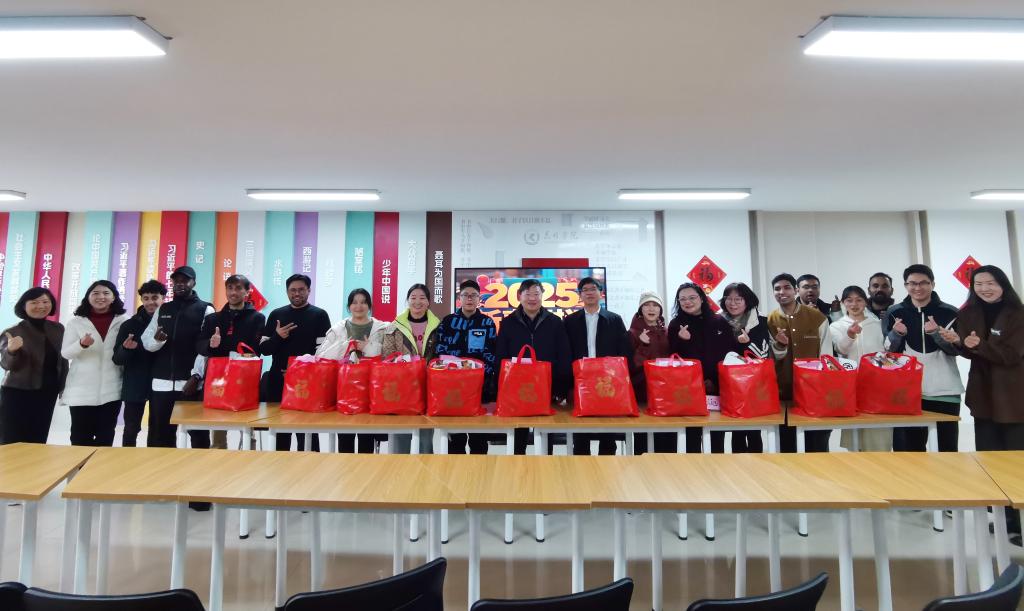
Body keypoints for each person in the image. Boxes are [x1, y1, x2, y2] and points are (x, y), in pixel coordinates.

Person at [945, 265, 1024, 546]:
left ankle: (1021, 522)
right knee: (991, 460)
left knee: (1016, 462)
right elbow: (970, 350)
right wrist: (958, 343)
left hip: (1013, 396)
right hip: (983, 396)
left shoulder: (1018, 314)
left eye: (990, 283)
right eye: (978, 284)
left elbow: (1012, 355)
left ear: (1003, 284)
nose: (984, 288)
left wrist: (977, 346)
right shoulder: (969, 313)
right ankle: (1005, 519)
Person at [883, 264, 963, 452]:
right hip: (908, 391)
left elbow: (956, 350)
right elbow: (889, 353)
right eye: (912, 283)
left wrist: (936, 334)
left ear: (932, 284)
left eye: (923, 283)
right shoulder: (894, 312)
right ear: (905, 285)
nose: (917, 287)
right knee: (910, 451)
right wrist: (896, 334)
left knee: (947, 449)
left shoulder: (950, 312)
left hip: (945, 390)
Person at [141, 266, 215, 450]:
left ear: (193, 283)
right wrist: (157, 341)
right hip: (161, 383)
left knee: (198, 435)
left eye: (185, 280)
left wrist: (197, 376)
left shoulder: (205, 309)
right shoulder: (164, 308)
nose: (180, 284)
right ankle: (162, 468)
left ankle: (200, 467)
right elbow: (147, 341)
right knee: (160, 435)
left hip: (190, 383)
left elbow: (206, 348)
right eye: (176, 281)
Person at [496, 278, 572, 454]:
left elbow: (564, 355)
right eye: (527, 294)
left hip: (548, 388)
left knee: (546, 434)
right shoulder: (508, 323)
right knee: (518, 436)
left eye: (536, 294)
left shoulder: (555, 322)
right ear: (519, 296)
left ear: (542, 296)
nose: (532, 298)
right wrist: (502, 389)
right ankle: (517, 466)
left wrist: (561, 388)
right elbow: (501, 357)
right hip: (517, 389)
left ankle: (546, 467)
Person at [259, 273, 332, 452]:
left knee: (308, 436)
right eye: (292, 290)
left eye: (301, 289)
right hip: (278, 382)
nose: (297, 293)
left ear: (309, 291)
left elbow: (324, 353)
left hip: (307, 383)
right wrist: (277, 336)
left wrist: (299, 372)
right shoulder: (276, 315)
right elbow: (264, 349)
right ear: (287, 292)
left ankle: (310, 468)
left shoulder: (320, 315)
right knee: (280, 436)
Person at [667, 282, 741, 453]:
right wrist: (681, 340)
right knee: (691, 436)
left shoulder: (719, 321)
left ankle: (716, 467)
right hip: (688, 389)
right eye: (682, 299)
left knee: (716, 436)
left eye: (692, 297)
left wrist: (714, 380)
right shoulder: (676, 324)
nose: (687, 302)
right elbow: (672, 357)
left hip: (716, 386)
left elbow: (728, 355)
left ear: (701, 298)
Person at [563, 277, 632, 455]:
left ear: (601, 293)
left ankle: (607, 467)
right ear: (580, 295)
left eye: (593, 289)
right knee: (581, 435)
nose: (589, 293)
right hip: (581, 380)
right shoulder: (570, 321)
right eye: (585, 290)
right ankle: (581, 465)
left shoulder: (614, 319)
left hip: (607, 381)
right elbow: (566, 351)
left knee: (608, 434)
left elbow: (623, 351)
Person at [197, 274, 265, 449]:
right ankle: (218, 449)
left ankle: (249, 452)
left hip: (245, 375)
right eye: (230, 288)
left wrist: (237, 350)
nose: (233, 292)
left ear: (247, 292)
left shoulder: (257, 318)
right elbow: (200, 346)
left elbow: (256, 348)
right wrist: (211, 345)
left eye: (238, 288)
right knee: (218, 418)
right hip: (218, 375)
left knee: (247, 417)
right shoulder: (212, 319)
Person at [767, 273, 833, 453]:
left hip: (814, 393)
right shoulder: (770, 320)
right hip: (783, 393)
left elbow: (826, 354)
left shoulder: (817, 317)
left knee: (817, 446)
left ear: (795, 290)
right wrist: (780, 345)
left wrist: (824, 386)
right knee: (787, 446)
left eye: (787, 287)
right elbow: (772, 358)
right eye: (777, 289)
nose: (782, 292)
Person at [316, 288, 388, 453]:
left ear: (369, 305)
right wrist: (345, 347)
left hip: (370, 391)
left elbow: (388, 357)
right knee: (345, 439)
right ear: (349, 306)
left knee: (366, 440)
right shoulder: (338, 329)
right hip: (344, 391)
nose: (359, 306)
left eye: (363, 302)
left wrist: (368, 348)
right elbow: (321, 356)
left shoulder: (382, 328)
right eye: (354, 302)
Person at [61, 280, 130, 447]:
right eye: (96, 293)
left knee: (105, 438)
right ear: (88, 297)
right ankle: (81, 465)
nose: (101, 297)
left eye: (106, 293)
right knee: (79, 438)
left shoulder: (123, 320)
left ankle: (101, 465)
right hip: (81, 391)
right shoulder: (76, 322)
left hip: (111, 390)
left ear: (114, 297)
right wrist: (81, 344)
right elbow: (66, 353)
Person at [433, 279, 499, 454]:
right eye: (465, 295)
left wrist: (481, 376)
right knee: (456, 439)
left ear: (479, 299)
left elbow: (492, 353)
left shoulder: (487, 323)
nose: (469, 299)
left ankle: (479, 470)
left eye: (473, 295)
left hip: (479, 387)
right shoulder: (447, 322)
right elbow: (440, 351)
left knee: (479, 439)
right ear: (459, 298)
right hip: (453, 387)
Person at [0, 288, 68, 444]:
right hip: (17, 392)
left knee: (38, 438)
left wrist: (63, 387)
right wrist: (11, 351)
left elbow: (63, 361)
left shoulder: (58, 329)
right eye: (34, 302)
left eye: (45, 302)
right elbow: (6, 364)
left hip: (47, 392)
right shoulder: (12, 331)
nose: (41, 306)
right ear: (24, 306)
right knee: (11, 439)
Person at [381, 283, 441, 454]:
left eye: (422, 298)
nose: (417, 302)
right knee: (400, 436)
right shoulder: (394, 326)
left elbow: (441, 356)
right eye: (413, 298)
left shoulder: (438, 326)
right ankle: (399, 468)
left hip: (427, 387)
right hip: (401, 387)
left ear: (428, 302)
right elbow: (387, 356)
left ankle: (425, 467)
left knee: (425, 438)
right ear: (407, 301)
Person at [830, 285, 889, 451]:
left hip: (877, 384)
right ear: (843, 303)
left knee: (879, 431)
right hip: (851, 384)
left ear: (865, 302)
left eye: (859, 300)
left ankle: (881, 460)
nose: (854, 304)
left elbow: (885, 351)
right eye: (849, 300)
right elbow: (841, 350)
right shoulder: (836, 326)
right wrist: (850, 335)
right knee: (855, 432)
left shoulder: (877, 324)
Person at [719, 282, 772, 452]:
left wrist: (746, 344)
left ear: (747, 301)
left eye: (738, 299)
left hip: (753, 383)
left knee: (754, 429)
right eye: (729, 299)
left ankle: (757, 465)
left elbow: (763, 353)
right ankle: (738, 465)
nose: (733, 303)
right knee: (736, 429)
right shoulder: (719, 320)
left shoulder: (760, 320)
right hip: (728, 382)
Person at [113, 280, 166, 446]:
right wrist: (126, 349)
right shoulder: (129, 324)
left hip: (161, 383)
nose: (150, 302)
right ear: (141, 299)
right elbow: (117, 359)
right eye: (146, 298)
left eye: (155, 298)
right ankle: (127, 458)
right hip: (135, 383)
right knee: (131, 428)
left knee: (159, 429)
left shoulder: (169, 322)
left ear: (163, 298)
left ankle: (154, 459)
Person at [628, 291, 672, 454]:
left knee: (667, 438)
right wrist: (642, 345)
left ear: (660, 309)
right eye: (646, 305)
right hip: (642, 391)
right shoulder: (632, 333)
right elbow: (631, 366)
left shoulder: (667, 331)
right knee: (643, 438)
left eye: (655, 305)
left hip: (666, 392)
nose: (651, 308)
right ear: (641, 309)